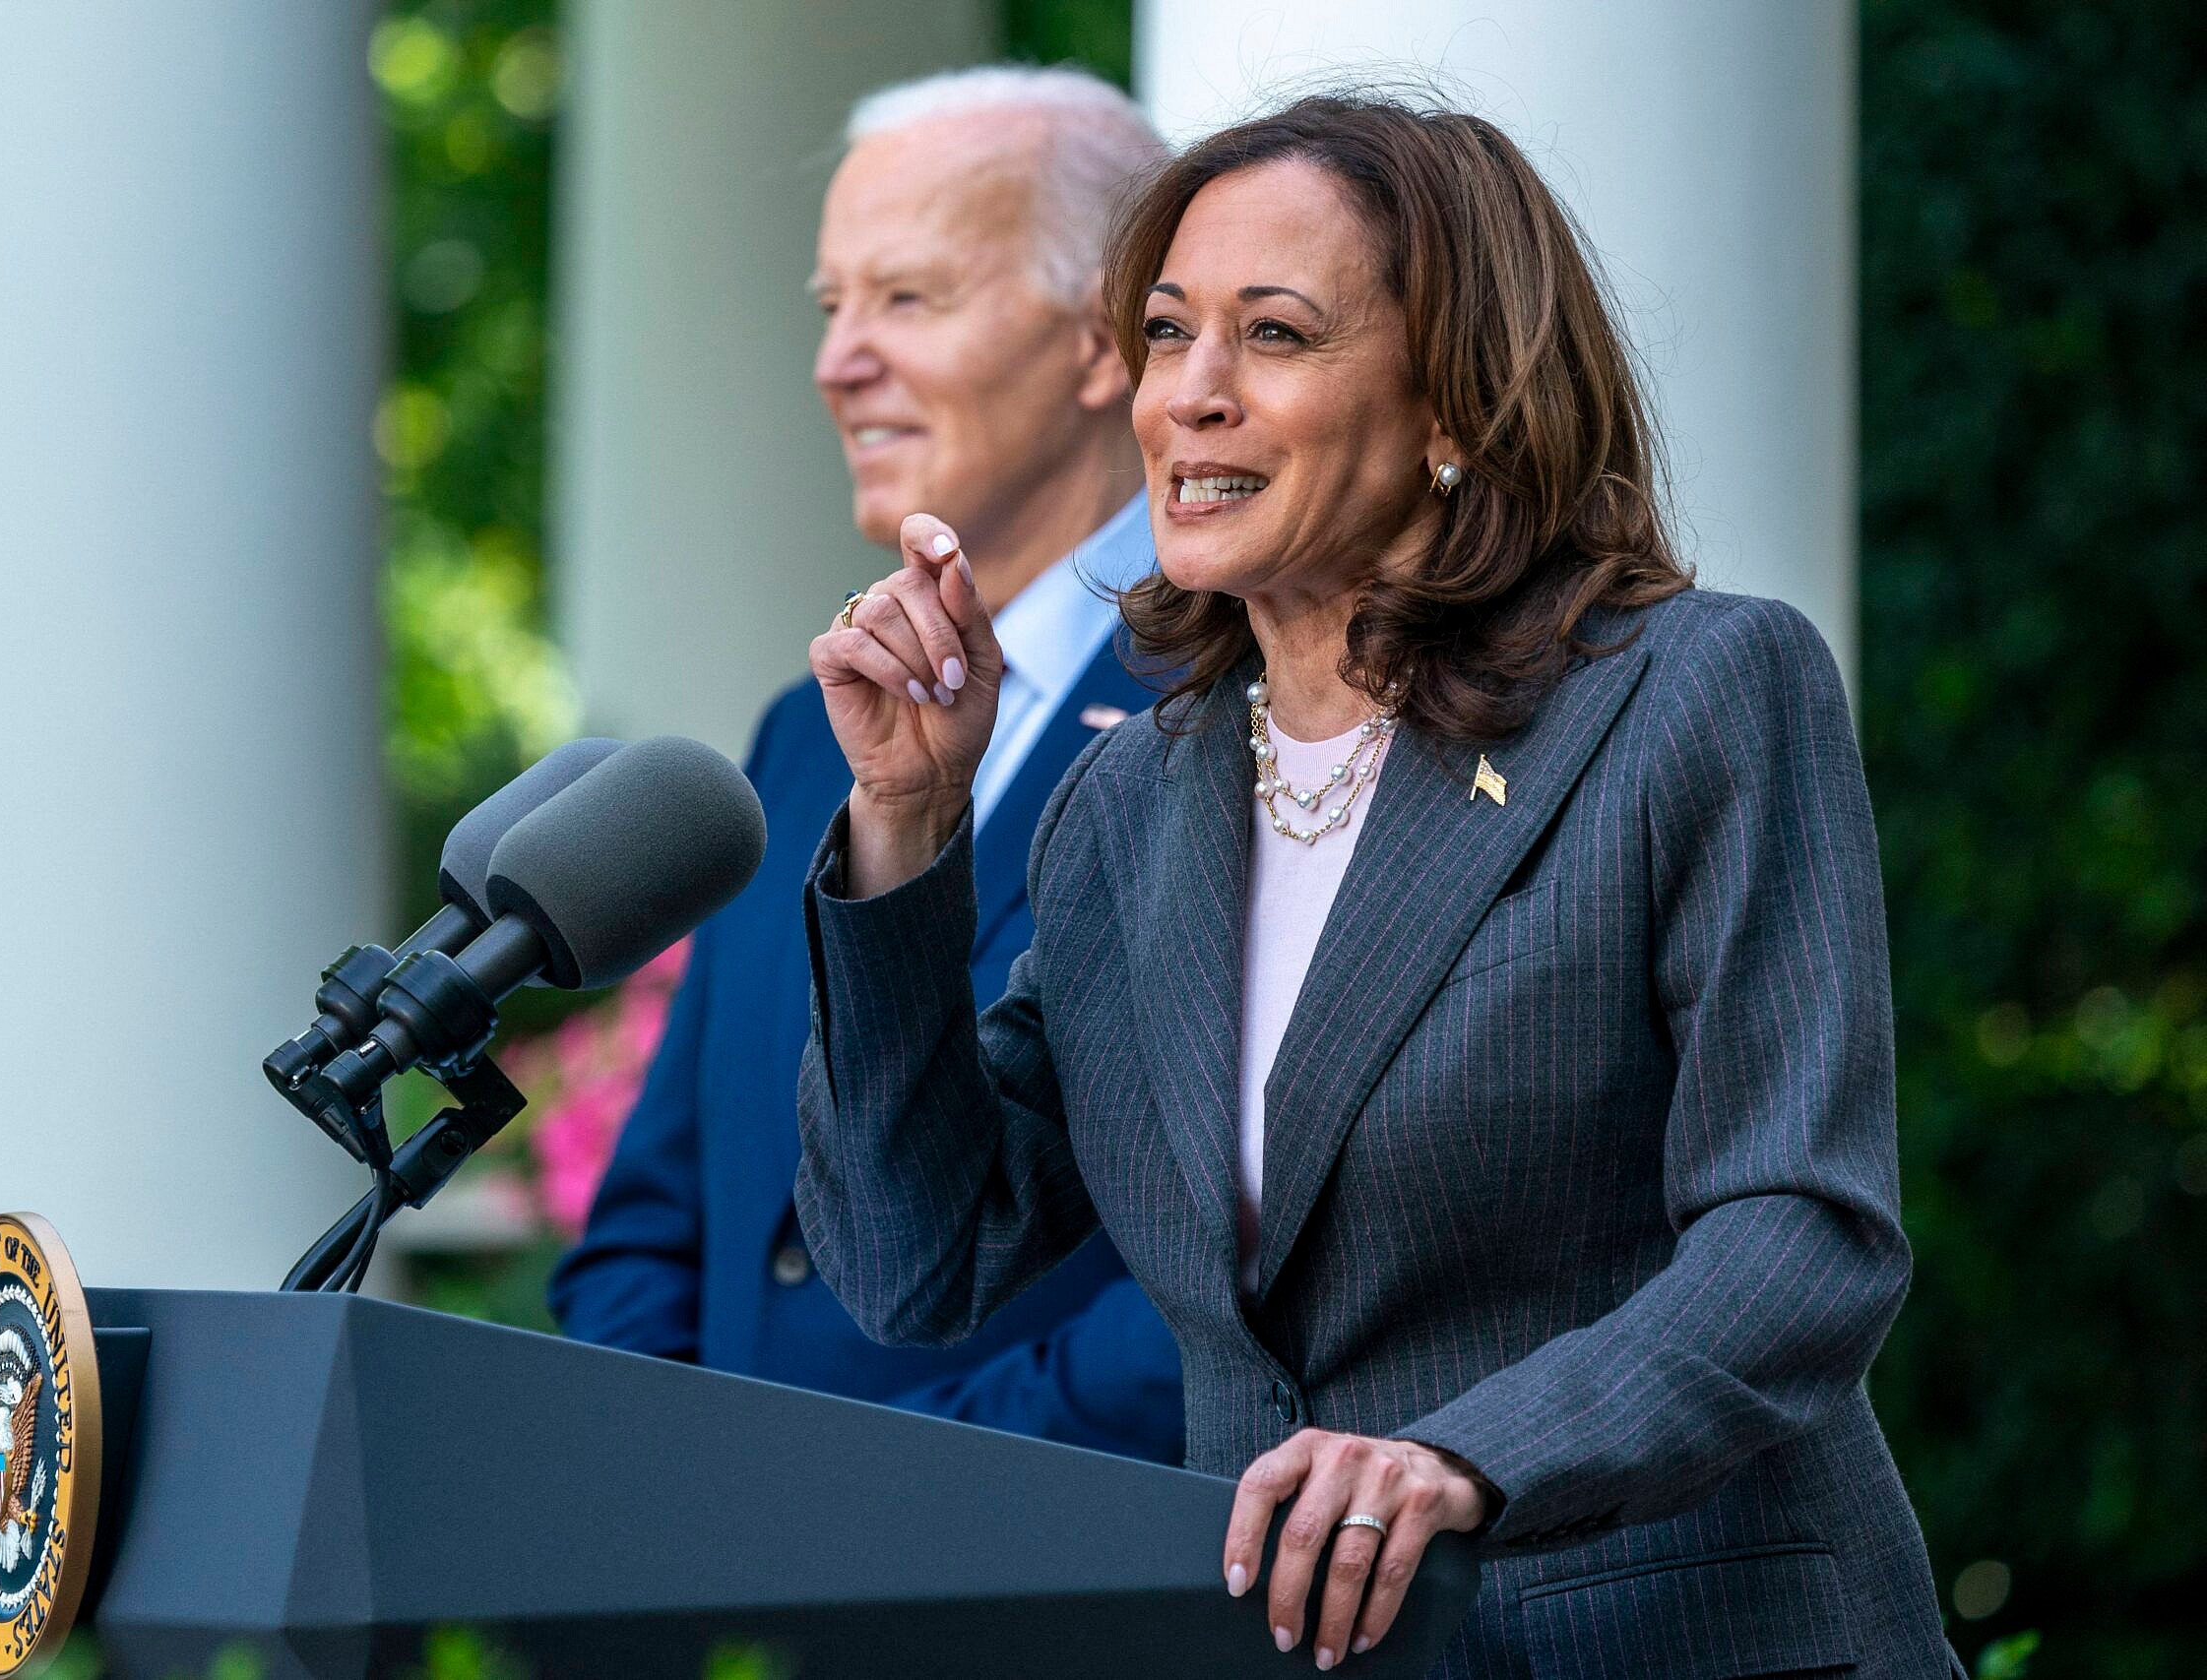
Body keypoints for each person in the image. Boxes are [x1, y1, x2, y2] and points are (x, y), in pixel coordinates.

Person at [796, 92, 1962, 1677]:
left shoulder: (1698, 693)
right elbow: (924, 1262)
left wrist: (1468, 1459)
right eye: (1164, 333)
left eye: (1272, 336)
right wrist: (907, 829)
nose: (1189, 398)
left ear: (1454, 404)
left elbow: (1805, 1237)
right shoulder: (1127, 800)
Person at [549, 67, 1184, 1463]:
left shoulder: (1251, 705)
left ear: (1099, 341)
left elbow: (1237, 1292)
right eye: (832, 307)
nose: (840, 359)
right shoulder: (799, 738)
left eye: (906, 298)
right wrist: (668, 1499)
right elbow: (661, 1224)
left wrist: (861, 1496)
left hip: (1054, 1571)